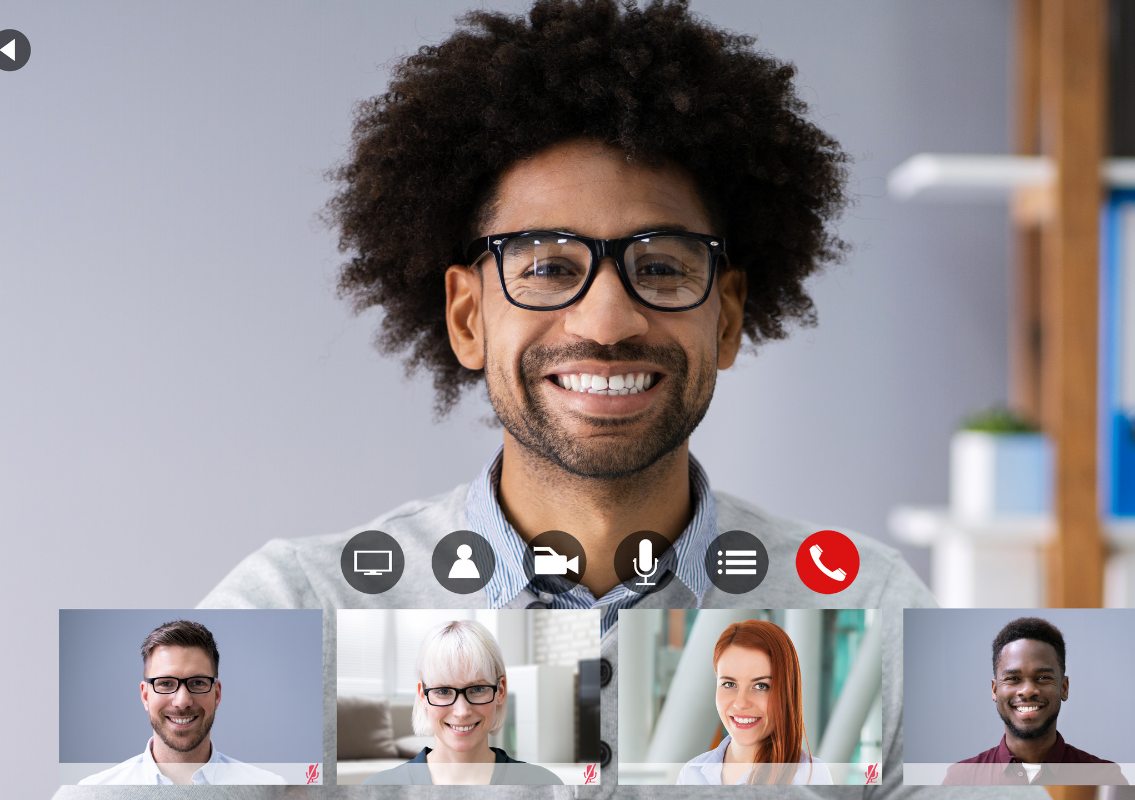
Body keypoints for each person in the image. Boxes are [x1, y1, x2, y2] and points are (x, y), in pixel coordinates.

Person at [56, 2, 1041, 798]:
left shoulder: (865, 606)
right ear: (468, 313)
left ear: (729, 315)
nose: (607, 317)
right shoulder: (305, 606)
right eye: (547, 264)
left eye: (661, 265)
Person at [78, 620, 284, 786]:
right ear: (145, 696)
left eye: (197, 682)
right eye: (166, 683)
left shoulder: (268, 789)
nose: (183, 701)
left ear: (217, 694)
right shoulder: (94, 793)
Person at [363, 620, 562, 785]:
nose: (461, 711)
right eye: (443, 691)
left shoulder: (544, 785)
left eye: (477, 689)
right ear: (423, 696)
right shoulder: (376, 789)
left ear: (500, 690)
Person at [943, 617, 1127, 786]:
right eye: (1013, 678)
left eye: (1042, 678)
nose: (1028, 691)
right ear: (995, 690)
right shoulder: (961, 779)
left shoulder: (1104, 778)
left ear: (1064, 688)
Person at [678, 620, 831, 785]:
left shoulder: (809, 776)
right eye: (729, 684)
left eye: (761, 686)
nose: (741, 703)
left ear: (786, 692)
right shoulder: (692, 774)